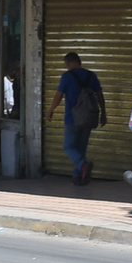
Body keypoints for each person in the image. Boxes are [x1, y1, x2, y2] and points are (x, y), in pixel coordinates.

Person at [48, 51, 104, 185]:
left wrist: (50, 110)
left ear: (69, 63)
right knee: (81, 148)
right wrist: (104, 113)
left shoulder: (67, 76)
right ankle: (78, 177)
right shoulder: (92, 76)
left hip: (72, 118)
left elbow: (58, 95)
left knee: (69, 146)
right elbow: (100, 96)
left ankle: (82, 166)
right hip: (89, 116)